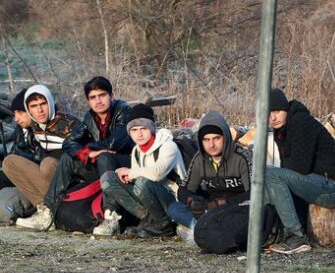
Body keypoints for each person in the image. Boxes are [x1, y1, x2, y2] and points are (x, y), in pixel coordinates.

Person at [264, 88, 335, 254]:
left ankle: (296, 237)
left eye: (276, 111)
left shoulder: (300, 122)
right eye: (268, 114)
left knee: (270, 174)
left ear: (285, 109)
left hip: (333, 187)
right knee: (268, 180)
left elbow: (299, 167)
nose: (273, 118)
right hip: (316, 183)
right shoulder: (281, 130)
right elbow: (289, 168)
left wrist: (284, 175)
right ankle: (272, 232)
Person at [60, 76, 135, 235]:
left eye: (102, 95)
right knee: (68, 158)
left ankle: (111, 217)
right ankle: (49, 209)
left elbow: (116, 142)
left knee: (104, 157)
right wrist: (86, 152)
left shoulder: (123, 110)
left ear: (111, 96)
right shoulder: (90, 118)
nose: (98, 101)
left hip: (128, 162)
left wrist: (93, 149)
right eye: (93, 97)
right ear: (88, 101)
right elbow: (68, 142)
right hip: (105, 164)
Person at [99, 103, 186, 238]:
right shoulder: (136, 151)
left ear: (151, 128)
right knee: (108, 179)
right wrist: (125, 175)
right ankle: (148, 220)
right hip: (150, 199)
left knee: (142, 182)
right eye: (134, 130)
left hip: (173, 200)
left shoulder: (168, 145)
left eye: (143, 128)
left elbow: (156, 174)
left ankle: (164, 225)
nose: (139, 134)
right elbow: (137, 177)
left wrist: (131, 172)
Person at [168, 110, 251, 245]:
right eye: (206, 140)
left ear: (225, 137)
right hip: (209, 208)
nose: (211, 145)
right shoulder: (199, 159)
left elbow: (254, 193)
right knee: (174, 208)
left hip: (236, 206)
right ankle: (202, 229)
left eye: (216, 138)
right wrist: (191, 201)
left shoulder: (243, 157)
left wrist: (222, 203)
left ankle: (200, 231)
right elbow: (184, 188)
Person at [6, 84, 80, 230]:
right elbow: (19, 153)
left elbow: (78, 157)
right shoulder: (29, 129)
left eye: (43, 104)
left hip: (71, 179)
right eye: (34, 106)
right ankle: (44, 210)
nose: (39, 110)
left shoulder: (69, 123)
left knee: (47, 163)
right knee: (9, 163)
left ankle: (52, 211)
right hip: (46, 182)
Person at [0, 89, 43, 222]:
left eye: (20, 113)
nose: (16, 118)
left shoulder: (46, 131)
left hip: (35, 185)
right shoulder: (21, 130)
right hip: (18, 178)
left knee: (5, 206)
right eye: (14, 114)